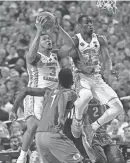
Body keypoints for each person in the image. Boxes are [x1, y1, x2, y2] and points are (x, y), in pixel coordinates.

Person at [9, 15, 74, 163]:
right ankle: (22, 157)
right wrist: (39, 32)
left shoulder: (55, 55)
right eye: (45, 40)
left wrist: (59, 28)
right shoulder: (35, 56)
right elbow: (30, 56)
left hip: (51, 97)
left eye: (49, 38)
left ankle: (39, 155)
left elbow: (71, 46)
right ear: (38, 44)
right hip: (34, 94)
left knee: (50, 129)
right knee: (33, 127)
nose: (48, 40)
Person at [59, 14, 123, 146]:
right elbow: (71, 57)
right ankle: (77, 120)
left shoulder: (100, 39)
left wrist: (110, 69)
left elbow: (106, 58)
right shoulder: (76, 40)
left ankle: (92, 128)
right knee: (86, 95)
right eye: (87, 23)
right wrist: (82, 67)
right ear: (80, 26)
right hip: (80, 77)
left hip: (96, 77)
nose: (90, 25)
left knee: (118, 107)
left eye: (91, 22)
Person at [11, 68, 83, 163]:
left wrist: (13, 110)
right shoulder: (71, 93)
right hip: (53, 135)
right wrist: (61, 115)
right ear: (72, 81)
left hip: (39, 136)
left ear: (58, 80)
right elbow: (63, 97)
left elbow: (25, 90)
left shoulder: (48, 91)